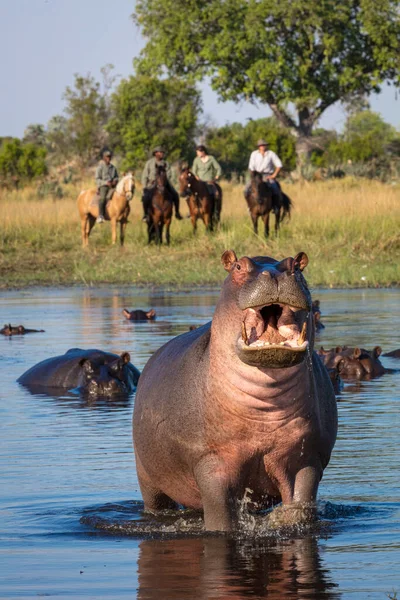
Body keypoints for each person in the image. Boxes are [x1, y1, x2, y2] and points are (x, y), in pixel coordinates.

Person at [141, 146, 182, 221]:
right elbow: (145, 175)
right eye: (160, 152)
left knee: (175, 194)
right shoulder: (149, 163)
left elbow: (170, 174)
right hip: (152, 183)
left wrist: (166, 181)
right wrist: (144, 186)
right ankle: (145, 214)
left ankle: (177, 212)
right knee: (145, 197)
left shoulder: (166, 163)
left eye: (163, 152)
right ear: (156, 153)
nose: (162, 154)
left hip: (164, 183)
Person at [245, 139, 282, 205]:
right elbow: (251, 166)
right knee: (246, 189)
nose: (262, 146)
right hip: (256, 174)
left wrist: (274, 175)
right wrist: (253, 176)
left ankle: (275, 206)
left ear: (266, 146)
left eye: (264, 145)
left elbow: (279, 165)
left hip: (267, 175)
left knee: (275, 189)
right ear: (258, 146)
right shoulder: (254, 154)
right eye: (261, 145)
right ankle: (250, 206)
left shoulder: (271, 154)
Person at [95, 149, 119, 224]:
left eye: (109, 157)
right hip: (103, 186)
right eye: (107, 157)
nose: (108, 158)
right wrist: (105, 182)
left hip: (112, 186)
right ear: (104, 158)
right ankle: (101, 215)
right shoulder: (100, 167)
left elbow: (116, 177)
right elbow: (97, 179)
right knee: (102, 198)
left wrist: (115, 180)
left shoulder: (113, 168)